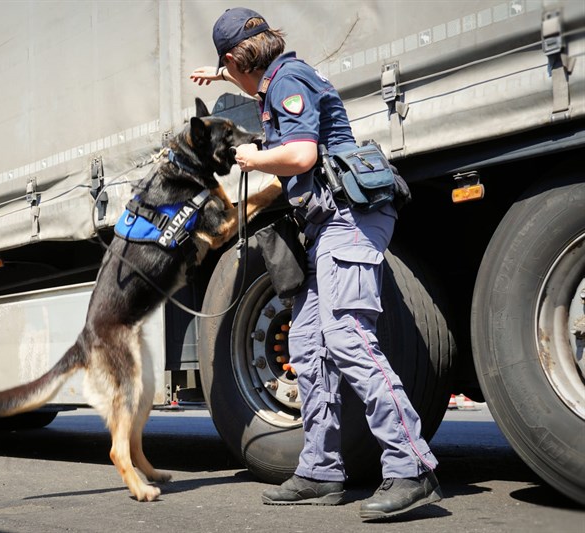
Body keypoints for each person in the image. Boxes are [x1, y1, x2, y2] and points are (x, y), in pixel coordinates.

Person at [190, 7, 443, 520]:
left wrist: (253, 158)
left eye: (229, 68)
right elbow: (254, 77)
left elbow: (303, 155)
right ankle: (321, 471)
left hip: (348, 219)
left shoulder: (290, 80)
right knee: (307, 344)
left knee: (348, 337)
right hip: (323, 225)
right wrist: (220, 74)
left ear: (242, 59)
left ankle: (411, 466)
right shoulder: (275, 75)